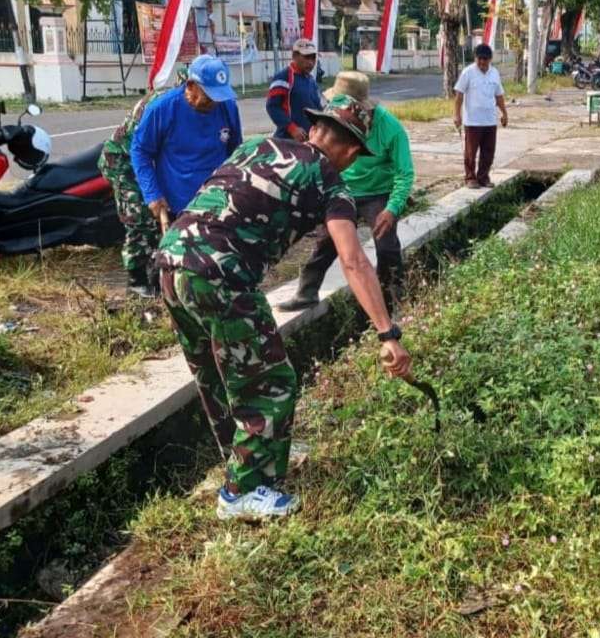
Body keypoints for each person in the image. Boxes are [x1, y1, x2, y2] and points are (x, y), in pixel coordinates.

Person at [156, 92, 412, 520]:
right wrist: (387, 333)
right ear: (351, 151)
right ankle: (244, 492)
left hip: (170, 262)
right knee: (271, 380)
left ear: (314, 130)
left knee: (217, 374)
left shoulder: (255, 145)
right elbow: (353, 259)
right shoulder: (332, 183)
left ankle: (241, 461)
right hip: (222, 275)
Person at [279, 72, 414, 314]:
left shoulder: (391, 129)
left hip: (377, 194)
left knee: (387, 246)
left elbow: (404, 175)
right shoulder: (330, 123)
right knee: (325, 243)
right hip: (341, 190)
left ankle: (393, 301)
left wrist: (392, 209)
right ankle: (306, 292)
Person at [131, 55, 242, 225]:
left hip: (217, 200)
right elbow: (140, 151)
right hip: (179, 203)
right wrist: (152, 193)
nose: (214, 103)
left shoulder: (228, 107)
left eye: (219, 97)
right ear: (191, 86)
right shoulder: (162, 109)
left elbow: (236, 152)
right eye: (209, 97)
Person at [99, 75, 183, 297]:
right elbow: (141, 150)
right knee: (141, 220)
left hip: (150, 163)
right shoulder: (159, 105)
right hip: (123, 161)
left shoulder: (185, 107)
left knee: (164, 216)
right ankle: (135, 280)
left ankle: (157, 274)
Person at [453, 43, 508, 189]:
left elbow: (499, 96)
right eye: (480, 59)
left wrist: (504, 113)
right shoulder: (468, 72)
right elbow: (459, 95)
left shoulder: (494, 73)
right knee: (471, 152)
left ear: (490, 59)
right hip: (473, 121)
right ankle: (470, 177)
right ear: (475, 58)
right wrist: (457, 115)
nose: (482, 62)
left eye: (485, 59)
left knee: (488, 152)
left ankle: (483, 177)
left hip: (490, 120)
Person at [266, 38, 323, 142]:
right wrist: (292, 128)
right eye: (306, 57)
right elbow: (272, 107)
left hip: (309, 139)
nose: (310, 62)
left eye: (313, 58)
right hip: (287, 139)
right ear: (294, 56)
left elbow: (317, 108)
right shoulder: (284, 77)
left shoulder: (311, 80)